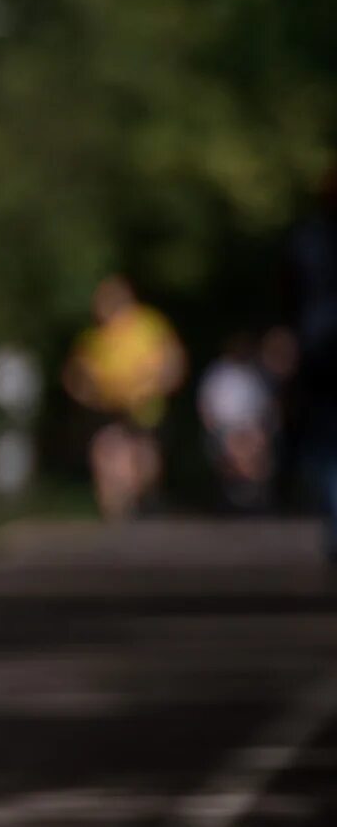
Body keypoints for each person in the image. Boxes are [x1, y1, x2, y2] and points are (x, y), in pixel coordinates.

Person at [64, 275, 187, 522]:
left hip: (146, 409)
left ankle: (145, 503)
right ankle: (116, 519)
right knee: (107, 457)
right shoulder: (96, 338)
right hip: (110, 411)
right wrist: (92, 397)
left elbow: (173, 361)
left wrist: (156, 386)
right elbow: (75, 376)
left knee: (143, 462)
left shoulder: (148, 325)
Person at [288, 168, 337, 559]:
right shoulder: (308, 241)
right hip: (321, 353)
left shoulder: (308, 240)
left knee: (325, 446)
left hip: (318, 350)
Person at [195, 334, 281, 514]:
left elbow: (266, 411)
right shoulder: (217, 374)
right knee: (237, 447)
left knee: (255, 446)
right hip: (223, 430)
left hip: (251, 429)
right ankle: (239, 494)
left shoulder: (254, 375)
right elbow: (207, 410)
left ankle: (252, 495)